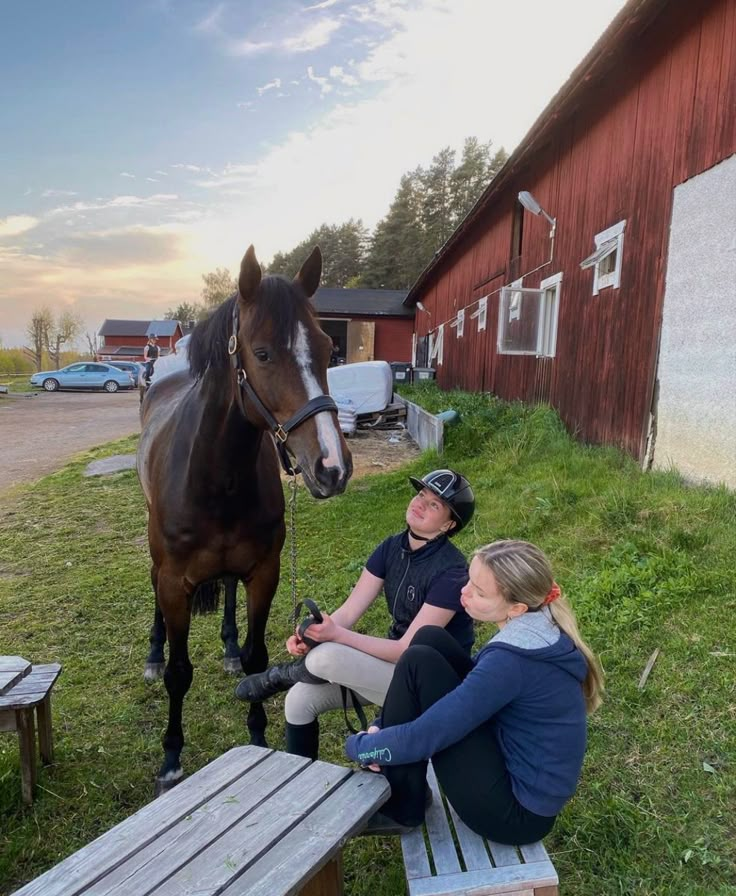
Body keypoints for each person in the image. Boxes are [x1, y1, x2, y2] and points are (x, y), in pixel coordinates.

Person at [345, 539, 604, 841]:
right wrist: (382, 728)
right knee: (428, 639)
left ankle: (403, 809)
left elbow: (430, 733)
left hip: (514, 816)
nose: (464, 592)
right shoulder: (535, 626)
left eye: (479, 592)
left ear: (517, 608)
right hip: (505, 757)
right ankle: (406, 792)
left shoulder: (512, 660)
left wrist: (360, 747)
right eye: (469, 580)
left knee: (419, 661)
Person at [235, 469, 476, 761]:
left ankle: (281, 675)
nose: (421, 503)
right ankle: (300, 787)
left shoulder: (452, 573)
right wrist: (311, 635)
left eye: (435, 504)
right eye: (421, 494)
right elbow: (348, 612)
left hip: (433, 686)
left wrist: (335, 637)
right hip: (393, 671)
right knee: (299, 699)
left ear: (449, 525)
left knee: (327, 658)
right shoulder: (391, 547)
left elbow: (404, 650)